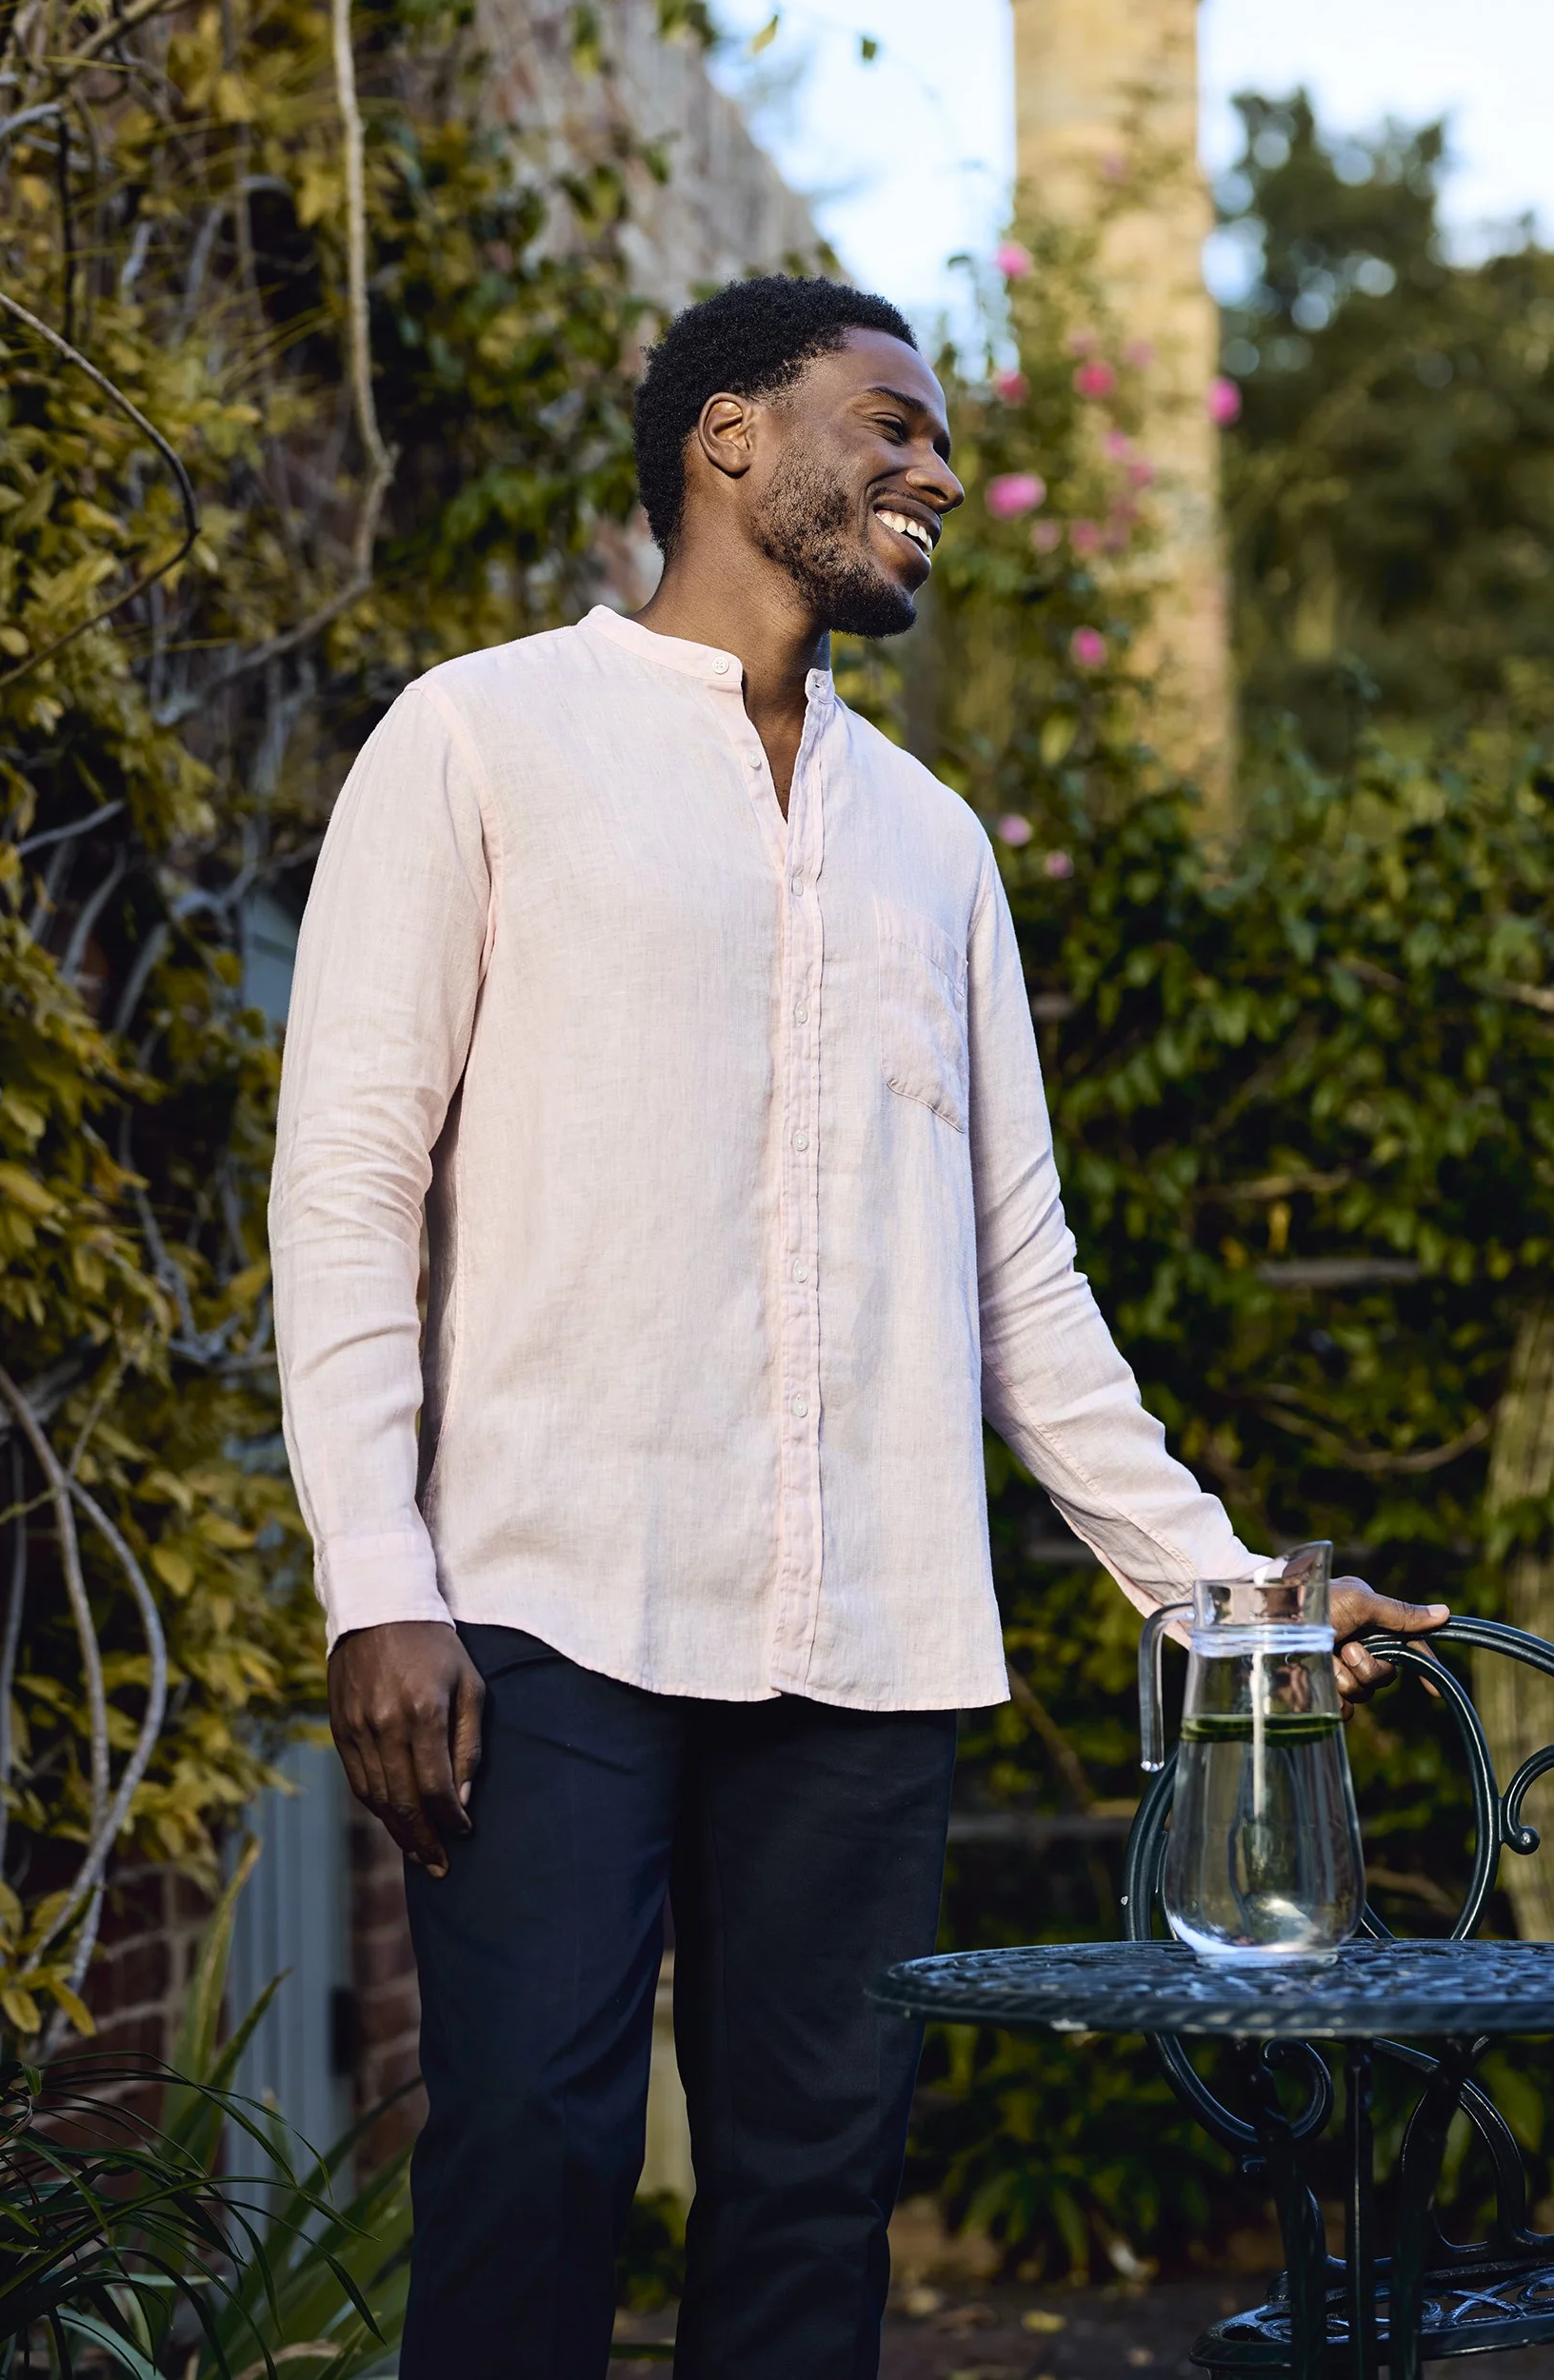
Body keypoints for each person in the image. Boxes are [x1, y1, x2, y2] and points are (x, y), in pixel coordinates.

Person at [269, 275, 1446, 2380]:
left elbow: (1020, 1281)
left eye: (938, 437)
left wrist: (1224, 1597)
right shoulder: (476, 736)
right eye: (884, 421)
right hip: (543, 1608)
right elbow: (349, 1178)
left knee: (815, 2190)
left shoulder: (935, 845)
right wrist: (378, 1579)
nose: (933, 471)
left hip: (865, 1651)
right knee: (530, 2157)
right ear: (724, 438)